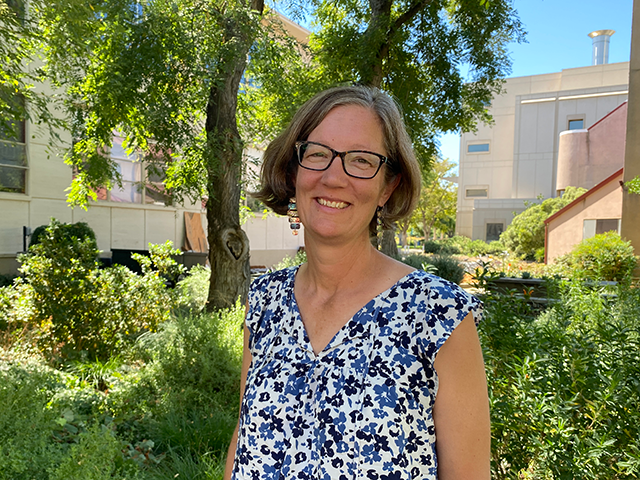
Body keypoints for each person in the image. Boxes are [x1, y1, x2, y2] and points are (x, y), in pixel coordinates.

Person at [224, 86, 490, 480]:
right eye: (317, 154)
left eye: (361, 160)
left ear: (388, 187)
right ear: (293, 171)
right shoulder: (266, 301)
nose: (334, 177)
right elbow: (244, 438)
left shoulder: (437, 316)